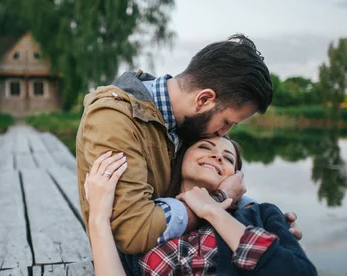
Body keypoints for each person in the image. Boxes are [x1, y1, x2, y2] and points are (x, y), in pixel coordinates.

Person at [84, 137, 331, 276]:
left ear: (235, 178)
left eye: (228, 157)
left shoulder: (259, 215)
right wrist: (98, 218)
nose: (217, 156)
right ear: (180, 159)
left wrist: (213, 210)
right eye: (205, 146)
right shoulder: (144, 229)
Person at [76, 34, 300, 262]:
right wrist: (217, 200)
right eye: (227, 122)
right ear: (204, 99)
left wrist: (262, 223)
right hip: (128, 274)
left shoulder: (186, 123)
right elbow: (133, 231)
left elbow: (217, 182)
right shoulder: (114, 119)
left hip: (182, 255)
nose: (222, 134)